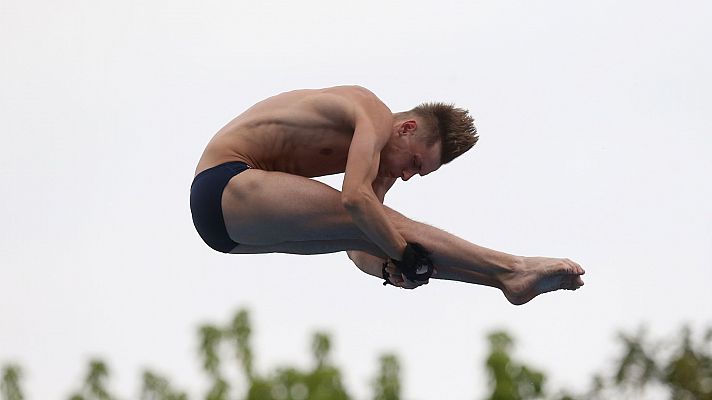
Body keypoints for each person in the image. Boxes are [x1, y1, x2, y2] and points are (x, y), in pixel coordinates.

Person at [190, 85, 585, 305]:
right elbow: (355, 202)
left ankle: (503, 282)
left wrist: (389, 268)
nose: (409, 175)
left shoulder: (382, 163)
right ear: (407, 127)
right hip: (225, 180)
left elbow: (359, 246)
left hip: (229, 236)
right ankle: (512, 268)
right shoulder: (372, 115)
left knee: (384, 233)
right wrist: (400, 250)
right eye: (414, 162)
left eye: (419, 172)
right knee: (395, 228)